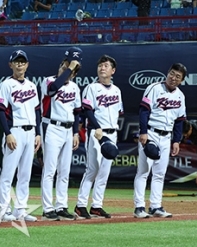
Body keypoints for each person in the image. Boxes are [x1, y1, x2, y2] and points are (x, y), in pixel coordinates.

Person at [134, 63, 187, 219]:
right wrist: (143, 132)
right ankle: (139, 207)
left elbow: (179, 120)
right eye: (172, 73)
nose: (173, 78)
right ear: (167, 73)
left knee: (160, 174)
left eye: (178, 76)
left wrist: (176, 141)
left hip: (166, 137)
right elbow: (144, 111)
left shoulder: (180, 96)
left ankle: (156, 206)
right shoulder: (154, 88)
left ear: (182, 80)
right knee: (143, 172)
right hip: (151, 133)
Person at [74, 55, 123, 219]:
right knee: (92, 169)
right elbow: (87, 110)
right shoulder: (91, 88)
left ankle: (97, 205)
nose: (102, 68)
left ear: (113, 71)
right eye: (100, 65)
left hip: (112, 132)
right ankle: (80, 205)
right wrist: (96, 127)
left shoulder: (117, 91)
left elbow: (119, 112)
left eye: (106, 65)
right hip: (96, 133)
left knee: (104, 172)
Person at [0, 50, 41, 222]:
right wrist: (7, 133)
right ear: (11, 65)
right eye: (17, 61)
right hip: (15, 131)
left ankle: (20, 210)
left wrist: (37, 133)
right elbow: (0, 111)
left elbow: (36, 111)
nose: (20, 64)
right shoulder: (6, 85)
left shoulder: (31, 85)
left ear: (27, 64)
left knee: (25, 174)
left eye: (23, 61)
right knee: (8, 172)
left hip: (30, 132)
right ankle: (4, 210)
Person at [40, 47, 82, 221]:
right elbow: (52, 90)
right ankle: (47, 208)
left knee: (64, 171)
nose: (68, 71)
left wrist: (75, 133)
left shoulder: (74, 86)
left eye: (72, 69)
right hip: (52, 127)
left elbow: (77, 111)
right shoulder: (48, 81)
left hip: (67, 129)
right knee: (50, 170)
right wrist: (69, 68)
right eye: (65, 66)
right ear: (61, 65)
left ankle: (61, 206)